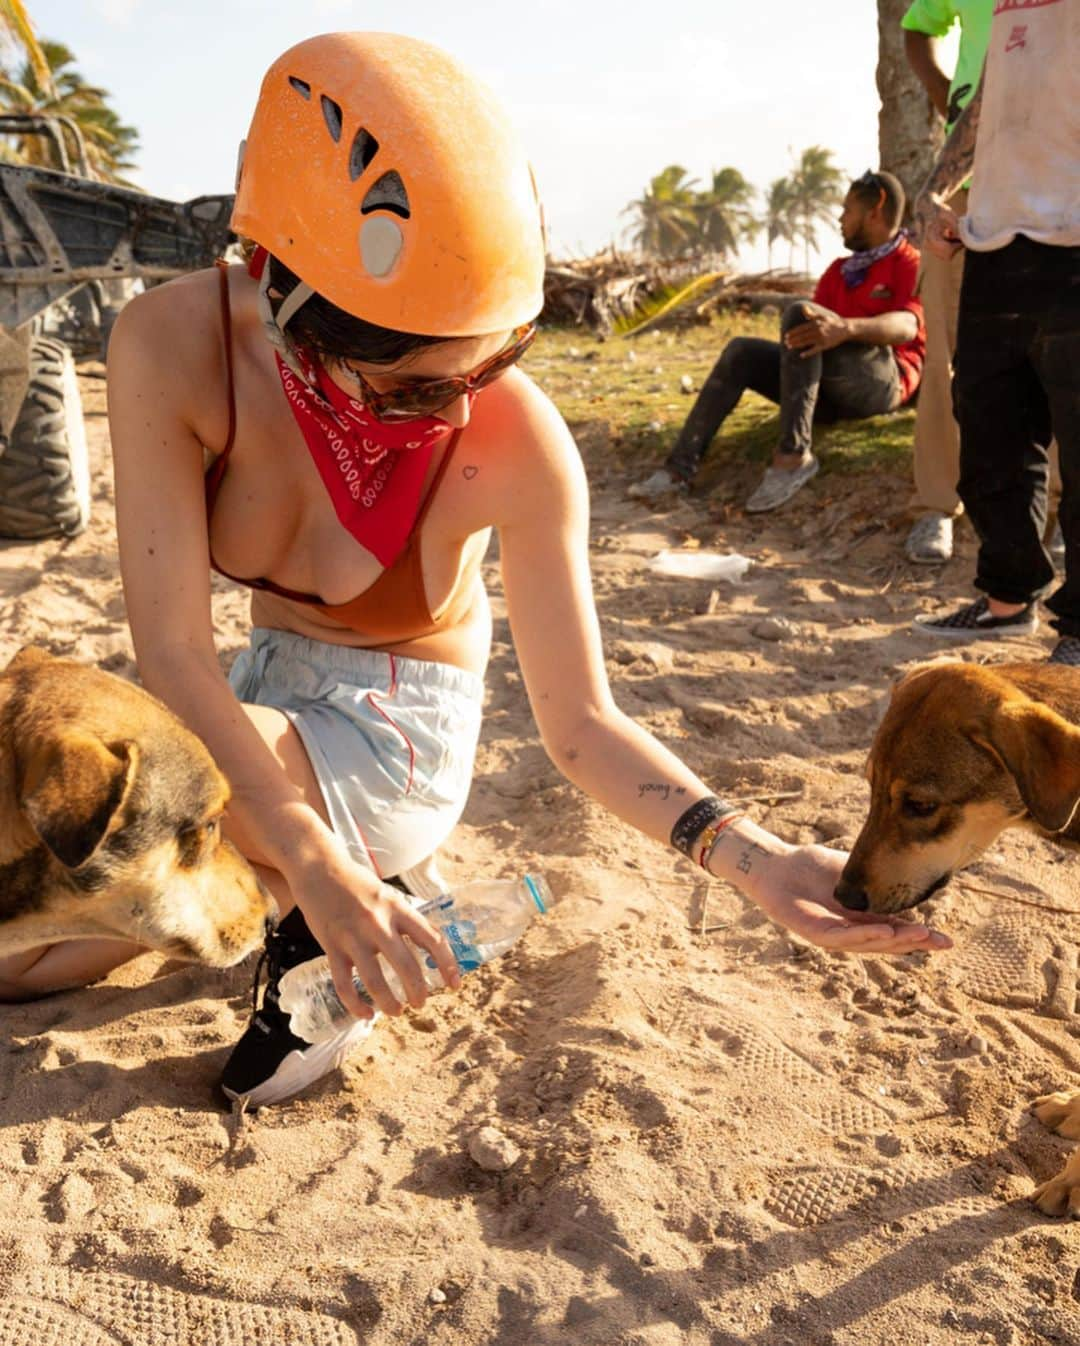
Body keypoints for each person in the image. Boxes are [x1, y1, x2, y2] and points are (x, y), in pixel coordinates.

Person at [0, 34, 950, 1105]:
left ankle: (326, 887)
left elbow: (582, 724)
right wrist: (307, 859)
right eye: (410, 386)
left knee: (151, 838)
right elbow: (172, 654)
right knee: (19, 958)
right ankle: (319, 889)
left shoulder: (515, 439)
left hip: (394, 730)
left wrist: (757, 857)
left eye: (495, 360)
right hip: (255, 695)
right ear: (280, 295)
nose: (459, 410)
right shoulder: (170, 347)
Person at [913, 0, 1078, 664]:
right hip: (993, 237)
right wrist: (938, 190)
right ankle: (1009, 599)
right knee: (990, 433)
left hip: (1074, 241)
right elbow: (983, 99)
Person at [628, 171, 926, 513]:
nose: (840, 219)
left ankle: (793, 457)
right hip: (829, 396)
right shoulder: (837, 272)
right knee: (743, 350)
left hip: (882, 386)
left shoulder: (910, 263)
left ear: (875, 211)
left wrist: (847, 328)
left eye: (847, 210)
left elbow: (907, 326)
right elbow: (806, 341)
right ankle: (677, 470)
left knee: (802, 313)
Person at [901, 0, 992, 564]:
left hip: (1055, 178)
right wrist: (945, 95)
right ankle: (937, 505)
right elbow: (918, 27)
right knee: (944, 354)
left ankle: (1061, 506)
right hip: (965, 175)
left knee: (1059, 348)